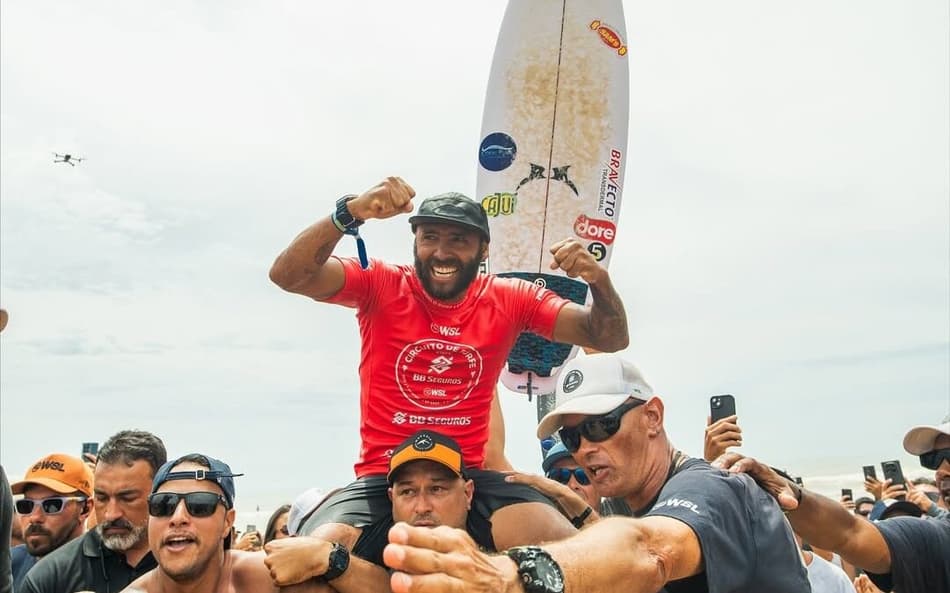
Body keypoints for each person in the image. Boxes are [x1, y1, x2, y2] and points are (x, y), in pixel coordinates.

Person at [269, 178, 629, 554]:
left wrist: (598, 280)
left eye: (459, 240)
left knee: (582, 555)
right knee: (308, 556)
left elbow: (607, 337)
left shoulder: (510, 298)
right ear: (415, 242)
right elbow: (288, 275)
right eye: (430, 237)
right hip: (384, 477)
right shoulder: (382, 283)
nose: (442, 252)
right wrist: (348, 213)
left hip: (469, 479)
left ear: (483, 249)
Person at [383, 353, 810, 592]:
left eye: (601, 426)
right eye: (572, 439)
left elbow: (650, 552)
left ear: (653, 417)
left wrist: (509, 575)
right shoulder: (631, 500)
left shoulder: (707, 485)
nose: (586, 449)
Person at [713, 413, 950, 593]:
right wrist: (785, 491)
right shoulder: (938, 541)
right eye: (933, 460)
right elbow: (849, 532)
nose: (941, 471)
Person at [264, 430, 480, 591]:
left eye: (437, 489)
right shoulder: (357, 573)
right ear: (391, 499)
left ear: (468, 494)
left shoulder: (503, 573)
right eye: (407, 492)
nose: (422, 506)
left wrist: (332, 559)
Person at [121, 453, 330, 593]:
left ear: (227, 522)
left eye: (200, 505)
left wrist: (333, 559)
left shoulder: (266, 579)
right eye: (163, 505)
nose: (178, 517)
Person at [20, 430, 166, 593]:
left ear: (159, 495)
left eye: (127, 498)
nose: (111, 514)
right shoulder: (50, 577)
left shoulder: (189, 564)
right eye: (102, 498)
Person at [9, 453, 94, 588]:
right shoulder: (10, 564)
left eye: (52, 505)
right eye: (26, 506)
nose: (35, 517)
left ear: (85, 509)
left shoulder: (106, 570)